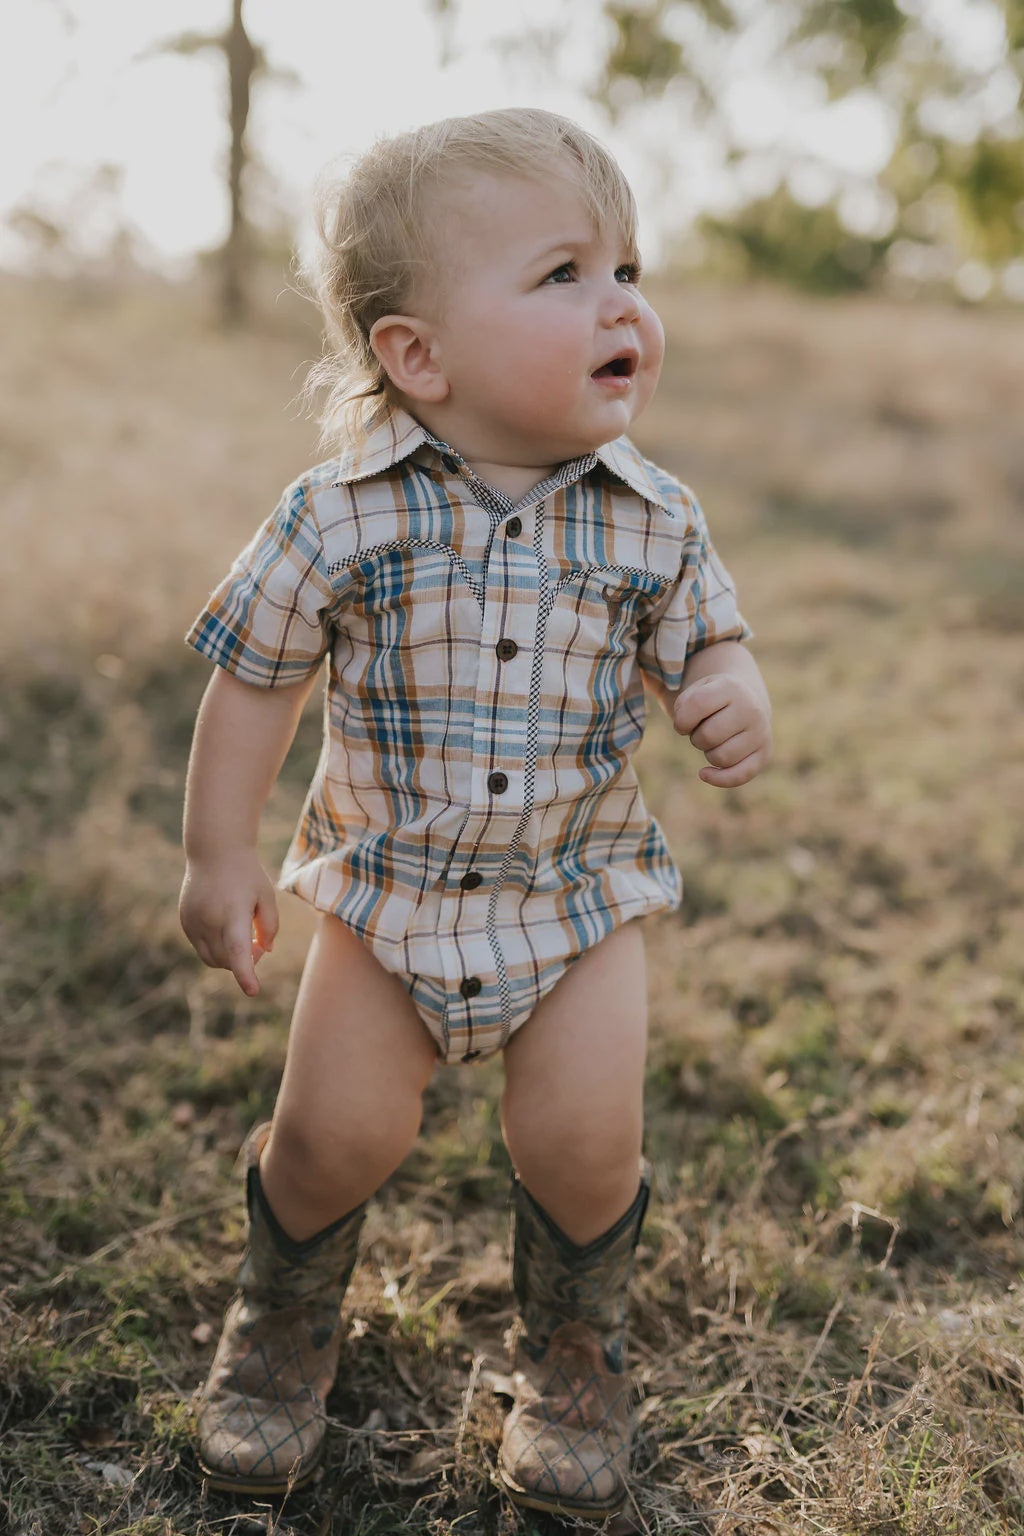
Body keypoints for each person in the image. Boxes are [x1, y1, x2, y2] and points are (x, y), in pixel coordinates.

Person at [178, 107, 772, 1519]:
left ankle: (575, 1353)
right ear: (418, 356)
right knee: (334, 1135)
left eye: (628, 267)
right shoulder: (342, 516)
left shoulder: (654, 520)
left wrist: (728, 686)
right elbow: (254, 681)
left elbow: (706, 643)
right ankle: (277, 1328)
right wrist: (220, 853)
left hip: (575, 900)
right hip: (388, 899)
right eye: (563, 272)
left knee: (584, 1147)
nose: (621, 301)